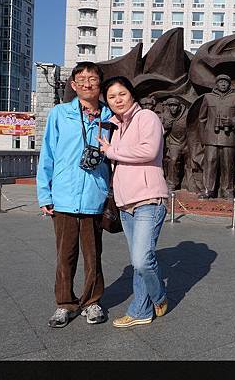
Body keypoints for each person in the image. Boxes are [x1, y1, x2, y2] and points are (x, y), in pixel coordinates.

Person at [37, 61, 111, 328]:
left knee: (93, 256)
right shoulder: (60, 114)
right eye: (82, 79)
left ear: (99, 84)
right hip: (64, 196)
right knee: (65, 255)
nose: (87, 83)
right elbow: (48, 155)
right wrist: (45, 195)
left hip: (94, 196)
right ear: (73, 85)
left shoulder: (110, 117)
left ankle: (91, 302)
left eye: (92, 79)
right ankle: (65, 303)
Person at [97, 76, 169, 328]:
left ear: (132, 95)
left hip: (148, 199)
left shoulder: (146, 117)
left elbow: (148, 151)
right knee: (139, 262)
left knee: (141, 259)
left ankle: (158, 296)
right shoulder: (114, 127)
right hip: (125, 204)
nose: (117, 100)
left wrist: (112, 151)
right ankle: (141, 311)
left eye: (122, 94)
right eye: (111, 97)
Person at [197, 74, 235, 199]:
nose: (223, 84)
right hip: (211, 137)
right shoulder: (208, 97)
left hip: (228, 136)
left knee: (227, 164)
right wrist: (204, 135)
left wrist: (233, 121)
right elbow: (202, 118)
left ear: (229, 84)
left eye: (226, 82)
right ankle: (208, 190)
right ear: (217, 84)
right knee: (209, 163)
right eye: (221, 82)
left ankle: (227, 190)